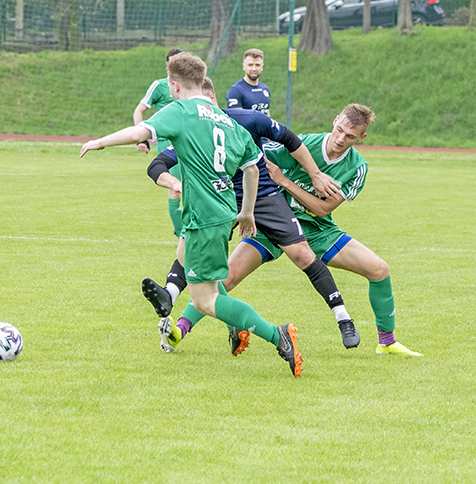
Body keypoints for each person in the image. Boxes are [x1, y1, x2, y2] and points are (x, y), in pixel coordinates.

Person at [80, 52, 303, 377]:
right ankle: (171, 295)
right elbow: (253, 169)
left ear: (174, 86)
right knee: (184, 255)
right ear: (203, 83)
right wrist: (246, 213)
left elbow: (137, 133)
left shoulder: (180, 111)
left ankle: (277, 334)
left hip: (204, 216)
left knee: (204, 300)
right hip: (223, 210)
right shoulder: (227, 120)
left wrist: (99, 142)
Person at [143, 77, 358, 355]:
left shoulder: (248, 121)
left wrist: (316, 175)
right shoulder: (194, 130)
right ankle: (175, 305)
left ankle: (343, 318)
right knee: (215, 267)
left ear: (213, 101)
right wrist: (173, 183)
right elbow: (157, 164)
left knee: (302, 255)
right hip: (223, 200)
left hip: (264, 197)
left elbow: (290, 139)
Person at [258, 104, 421, 356]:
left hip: (319, 230)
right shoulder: (301, 144)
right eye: (340, 130)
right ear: (334, 121)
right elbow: (257, 153)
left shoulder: (357, 167)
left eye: (350, 137)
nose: (341, 139)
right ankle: (180, 327)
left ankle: (386, 342)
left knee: (379, 270)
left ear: (361, 138)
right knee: (229, 276)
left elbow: (322, 209)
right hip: (277, 224)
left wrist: (284, 181)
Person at [132, 47, 185, 237]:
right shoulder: (160, 86)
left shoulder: (190, 86)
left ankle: (188, 229)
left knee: (193, 188)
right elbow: (139, 111)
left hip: (190, 143)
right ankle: (182, 234)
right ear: (167, 65)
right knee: (175, 189)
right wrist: (143, 139)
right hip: (168, 145)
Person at [226, 48, 270, 115]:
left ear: (262, 67)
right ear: (244, 66)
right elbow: (237, 119)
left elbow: (267, 117)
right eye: (250, 65)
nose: (254, 69)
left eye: (257, 65)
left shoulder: (265, 89)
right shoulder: (235, 91)